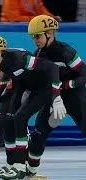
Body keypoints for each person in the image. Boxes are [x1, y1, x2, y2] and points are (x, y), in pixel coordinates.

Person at [0, 34, 67, 179]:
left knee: (20, 116)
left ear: (0, 53)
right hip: (24, 85)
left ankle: (20, 164)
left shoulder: (21, 58)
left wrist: (56, 97)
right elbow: (7, 74)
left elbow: (52, 68)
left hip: (43, 87)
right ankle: (12, 163)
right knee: (9, 119)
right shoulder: (0, 61)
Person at [25, 14, 86, 175]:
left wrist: (65, 85)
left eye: (37, 36)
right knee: (39, 133)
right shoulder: (37, 54)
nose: (35, 40)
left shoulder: (66, 52)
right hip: (54, 96)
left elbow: (84, 75)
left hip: (75, 96)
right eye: (32, 37)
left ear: (49, 34)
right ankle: (30, 172)